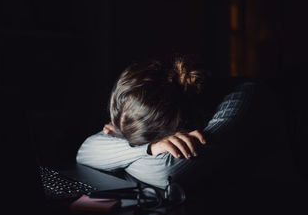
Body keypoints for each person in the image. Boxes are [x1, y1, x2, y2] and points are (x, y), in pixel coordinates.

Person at [76, 54, 279, 190]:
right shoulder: (163, 119)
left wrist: (121, 150)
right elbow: (86, 151)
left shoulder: (244, 98)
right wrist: (150, 149)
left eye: (147, 142)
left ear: (177, 130)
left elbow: (168, 172)